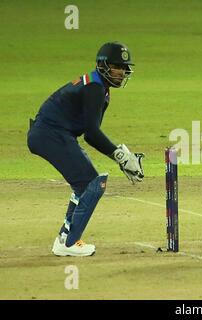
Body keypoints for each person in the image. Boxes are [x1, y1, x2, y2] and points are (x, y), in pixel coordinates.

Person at [27, 42, 144, 257]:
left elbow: (91, 134)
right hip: (50, 134)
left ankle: (65, 237)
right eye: (116, 66)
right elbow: (91, 133)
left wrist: (120, 154)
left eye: (124, 67)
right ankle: (70, 243)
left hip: (54, 134)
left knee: (85, 184)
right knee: (92, 183)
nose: (122, 71)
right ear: (103, 66)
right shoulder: (95, 89)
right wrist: (121, 156)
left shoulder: (99, 87)